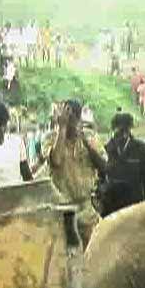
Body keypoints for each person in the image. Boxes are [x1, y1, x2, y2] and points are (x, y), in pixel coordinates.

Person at [41, 99, 107, 249]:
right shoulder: (50, 138)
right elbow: (56, 161)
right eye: (63, 116)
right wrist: (62, 129)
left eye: (70, 117)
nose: (66, 120)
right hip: (61, 211)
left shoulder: (90, 137)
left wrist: (85, 142)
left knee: (93, 255)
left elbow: (104, 167)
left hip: (86, 210)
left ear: (78, 119)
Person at [101, 112, 145, 216]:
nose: (122, 134)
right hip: (111, 204)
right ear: (113, 129)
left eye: (125, 130)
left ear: (129, 129)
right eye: (118, 130)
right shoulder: (106, 149)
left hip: (134, 204)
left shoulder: (142, 149)